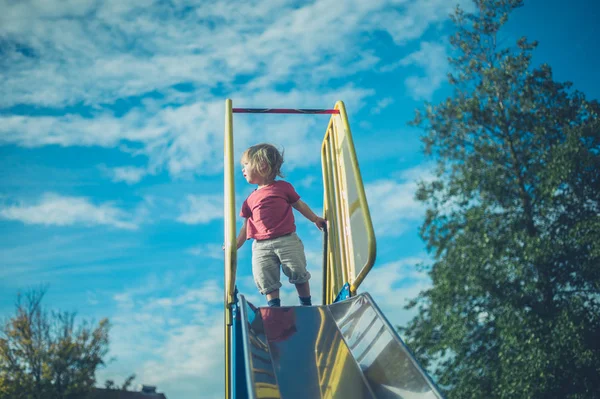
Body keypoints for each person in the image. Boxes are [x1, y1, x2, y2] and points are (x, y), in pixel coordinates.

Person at [236, 143, 326, 307]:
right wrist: (236, 244)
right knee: (265, 276)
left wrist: (314, 218)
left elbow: (299, 205)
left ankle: (306, 304)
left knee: (297, 270)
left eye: (246, 165)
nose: (242, 169)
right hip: (261, 245)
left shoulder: (282, 188)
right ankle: (274, 307)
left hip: (286, 239)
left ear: (262, 165)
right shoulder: (249, 200)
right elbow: (246, 226)